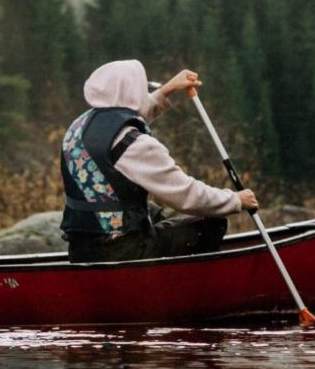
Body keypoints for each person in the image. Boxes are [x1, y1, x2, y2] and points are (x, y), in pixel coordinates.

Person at [61, 59, 258, 264]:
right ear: (132, 93)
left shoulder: (81, 126)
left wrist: (167, 90)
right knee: (213, 223)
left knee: (151, 210)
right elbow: (185, 194)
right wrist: (235, 200)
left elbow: (126, 115)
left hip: (81, 249)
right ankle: (175, 285)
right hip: (121, 252)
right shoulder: (135, 144)